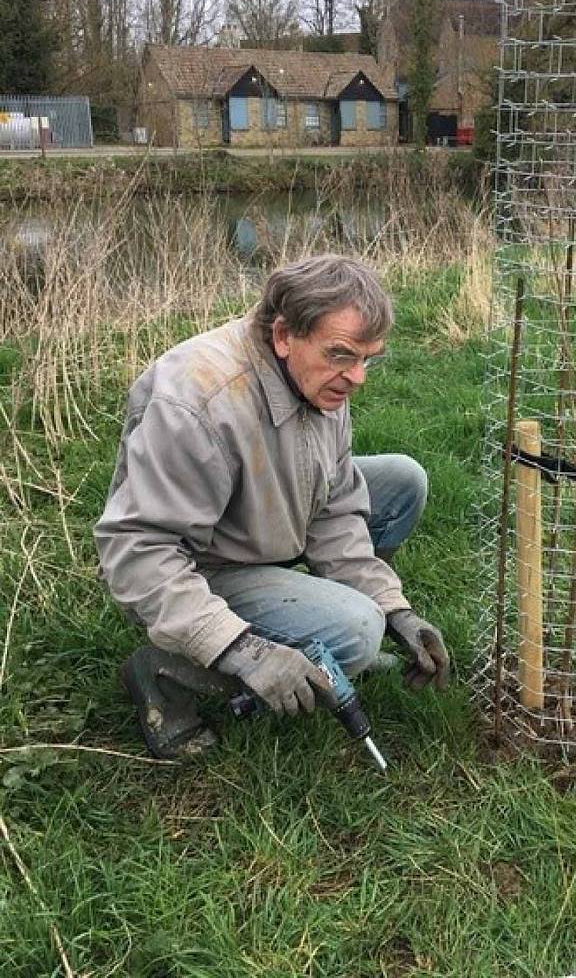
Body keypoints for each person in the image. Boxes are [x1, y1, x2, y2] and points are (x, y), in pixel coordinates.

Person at [94, 254, 450, 759]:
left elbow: (335, 507)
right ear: (284, 335)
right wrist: (242, 650)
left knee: (401, 482)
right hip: (194, 567)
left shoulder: (317, 377)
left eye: (369, 358)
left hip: (253, 527)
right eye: (343, 355)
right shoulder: (199, 401)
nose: (358, 378)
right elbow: (138, 552)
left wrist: (396, 612)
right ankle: (167, 671)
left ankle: (322, 635)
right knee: (356, 629)